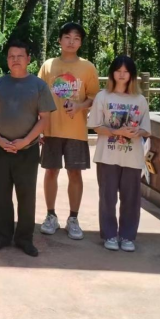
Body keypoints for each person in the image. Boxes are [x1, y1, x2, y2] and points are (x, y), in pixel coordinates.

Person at [0, 40, 56, 256]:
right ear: (7, 60)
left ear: (28, 59)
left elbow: (44, 119)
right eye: (11, 56)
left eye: (20, 56)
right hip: (1, 149)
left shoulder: (38, 86)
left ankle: (24, 238)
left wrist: (25, 141)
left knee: (26, 196)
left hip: (28, 150)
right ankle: (1, 235)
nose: (15, 60)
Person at [38, 22, 99, 240]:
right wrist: (38, 128)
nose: (71, 42)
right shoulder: (48, 66)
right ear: (59, 40)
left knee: (75, 173)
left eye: (76, 38)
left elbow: (94, 97)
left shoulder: (88, 67)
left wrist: (80, 106)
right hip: (51, 130)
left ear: (80, 43)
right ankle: (50, 215)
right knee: (51, 172)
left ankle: (73, 218)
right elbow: (38, 96)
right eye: (67, 37)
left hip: (76, 131)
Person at [87, 55, 151, 252]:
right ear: (112, 73)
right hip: (107, 156)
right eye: (118, 71)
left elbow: (146, 129)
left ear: (132, 75)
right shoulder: (103, 97)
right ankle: (109, 234)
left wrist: (136, 132)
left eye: (126, 71)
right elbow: (95, 126)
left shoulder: (140, 99)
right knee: (107, 198)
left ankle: (127, 236)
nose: (122, 75)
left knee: (131, 199)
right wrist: (117, 132)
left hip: (132, 157)